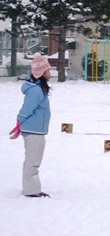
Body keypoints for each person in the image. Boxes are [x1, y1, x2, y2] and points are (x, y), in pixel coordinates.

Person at [9, 53, 52, 198]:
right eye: (48, 70)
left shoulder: (39, 88)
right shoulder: (35, 90)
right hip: (33, 131)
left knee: (34, 160)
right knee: (33, 161)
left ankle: (32, 188)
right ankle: (31, 190)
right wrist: (19, 122)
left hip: (37, 130)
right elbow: (27, 109)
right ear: (41, 73)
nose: (50, 73)